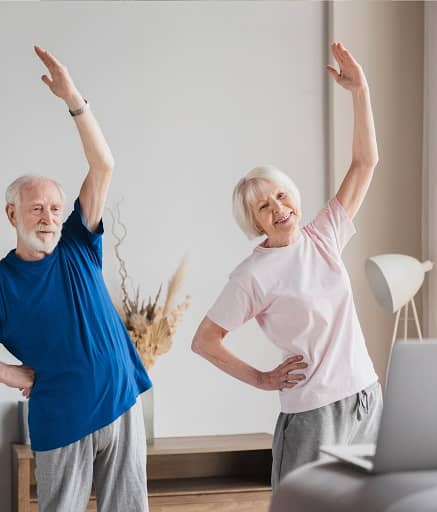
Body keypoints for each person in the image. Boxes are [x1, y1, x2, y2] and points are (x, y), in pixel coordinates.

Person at [192, 42, 382, 489]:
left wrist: (361, 92)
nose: (278, 207)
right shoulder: (252, 275)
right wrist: (261, 378)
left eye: (280, 194)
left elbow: (365, 161)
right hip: (313, 414)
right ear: (253, 221)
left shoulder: (324, 236)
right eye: (263, 206)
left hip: (365, 398)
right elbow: (205, 340)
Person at [0, 46, 151, 511]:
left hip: (123, 403)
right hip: (61, 419)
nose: (48, 217)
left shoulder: (78, 244)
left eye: (54, 208)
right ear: (12, 214)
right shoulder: (3, 282)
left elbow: (103, 165)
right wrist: (7, 373)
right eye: (36, 208)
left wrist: (74, 99)